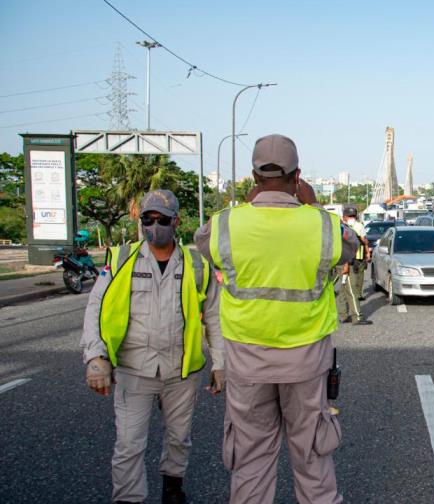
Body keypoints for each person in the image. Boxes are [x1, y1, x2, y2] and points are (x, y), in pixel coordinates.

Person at [194, 134, 358, 504]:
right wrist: (314, 207)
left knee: (250, 463)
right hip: (305, 363)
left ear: (253, 177)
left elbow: (202, 241)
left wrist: (247, 206)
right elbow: (351, 245)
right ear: (297, 176)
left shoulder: (224, 226)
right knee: (313, 460)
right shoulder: (321, 226)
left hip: (247, 364)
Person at [80, 189, 225, 504]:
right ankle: (129, 498)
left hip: (182, 369)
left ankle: (173, 487)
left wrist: (220, 363)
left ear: (177, 222)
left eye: (163, 219)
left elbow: (213, 316)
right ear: (141, 220)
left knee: (179, 438)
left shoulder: (197, 265)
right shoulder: (121, 260)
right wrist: (95, 356)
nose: (155, 225)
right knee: (129, 444)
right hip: (135, 368)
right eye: (149, 218)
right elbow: (96, 309)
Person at [337, 207, 373, 324]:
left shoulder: (341, 228)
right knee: (352, 290)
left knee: (343, 290)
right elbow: (344, 248)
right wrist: (346, 265)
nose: (352, 219)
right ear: (344, 217)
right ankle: (357, 317)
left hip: (344, 261)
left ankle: (343, 315)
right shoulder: (344, 229)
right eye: (350, 216)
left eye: (353, 216)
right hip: (347, 262)